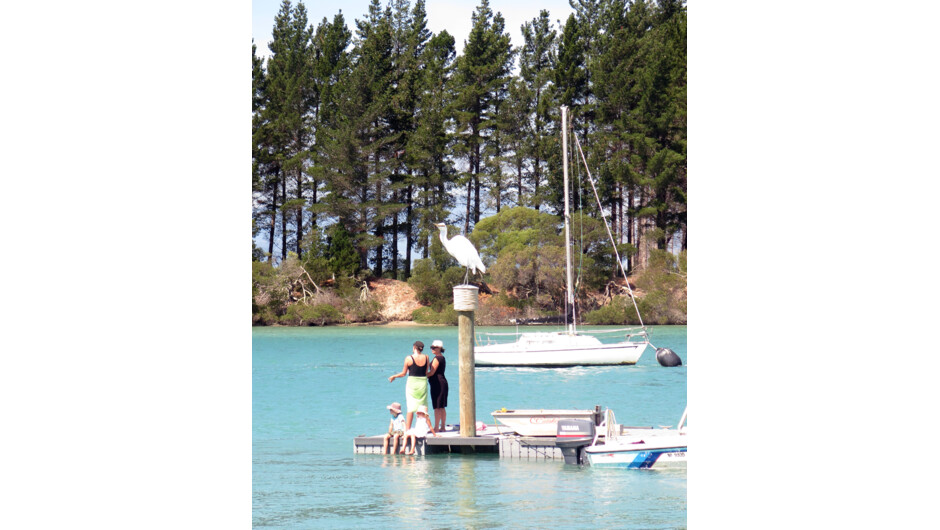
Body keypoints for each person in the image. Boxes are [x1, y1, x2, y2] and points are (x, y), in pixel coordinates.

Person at [388, 340, 430, 431]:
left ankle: (408, 429)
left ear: (414, 347)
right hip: (423, 382)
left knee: (411, 406)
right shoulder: (426, 357)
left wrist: (394, 376)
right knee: (423, 404)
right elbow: (426, 372)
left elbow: (403, 373)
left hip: (412, 383)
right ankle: (425, 427)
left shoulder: (409, 358)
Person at [427, 339, 449, 432]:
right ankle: (442, 427)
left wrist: (421, 375)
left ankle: (436, 427)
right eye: (431, 347)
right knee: (441, 406)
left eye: (434, 347)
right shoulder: (441, 357)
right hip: (441, 383)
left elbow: (432, 372)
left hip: (438, 383)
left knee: (437, 406)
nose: (432, 349)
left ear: (439, 348)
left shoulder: (437, 358)